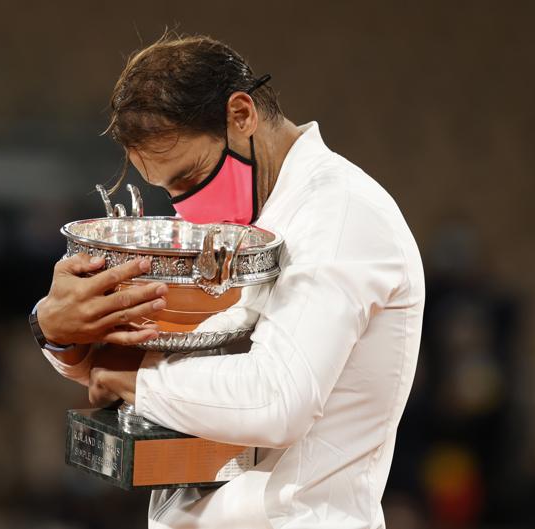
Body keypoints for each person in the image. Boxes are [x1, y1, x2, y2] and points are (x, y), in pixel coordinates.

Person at [30, 34, 425, 529]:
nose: (185, 207)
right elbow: (128, 357)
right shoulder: (250, 220)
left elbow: (279, 399)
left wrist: (138, 383)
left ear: (242, 116)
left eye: (191, 177)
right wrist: (58, 328)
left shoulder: (341, 215)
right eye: (169, 191)